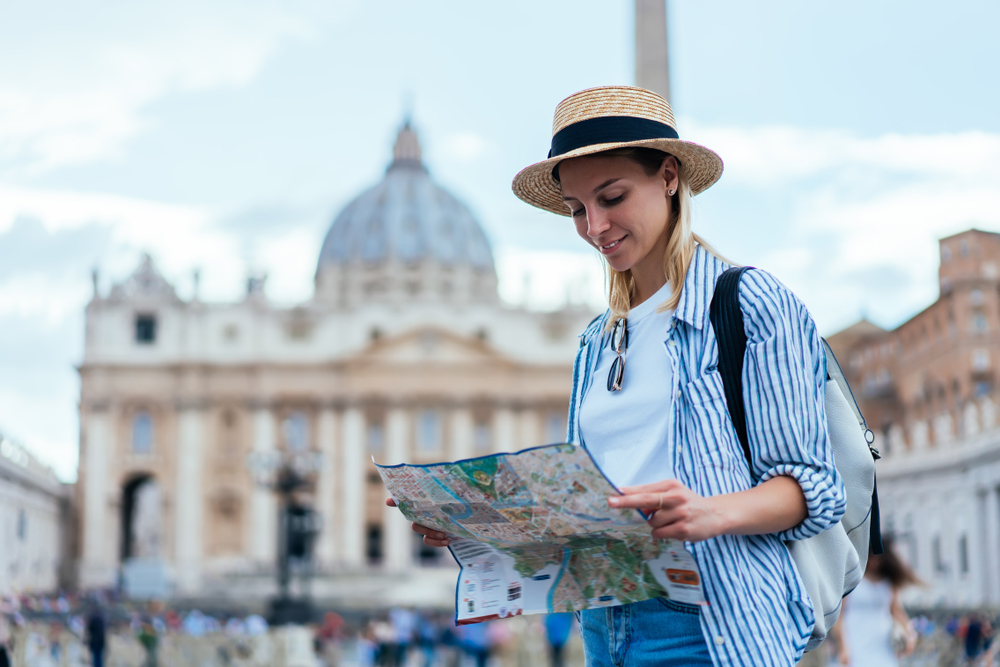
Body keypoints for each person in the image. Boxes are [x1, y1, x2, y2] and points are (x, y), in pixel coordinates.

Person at [390, 85, 846, 666]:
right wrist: (484, 529)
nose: (595, 226)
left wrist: (711, 510)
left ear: (669, 177)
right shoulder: (595, 341)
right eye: (578, 209)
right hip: (604, 625)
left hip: (711, 625)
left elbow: (815, 488)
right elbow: (600, 516)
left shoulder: (749, 302)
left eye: (612, 196)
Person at [832, 537, 920, 666]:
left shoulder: (889, 582)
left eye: (878, 558)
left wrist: (910, 634)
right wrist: (842, 646)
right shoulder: (852, 577)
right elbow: (839, 616)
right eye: (871, 557)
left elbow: (897, 611)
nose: (875, 562)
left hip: (882, 639)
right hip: (855, 636)